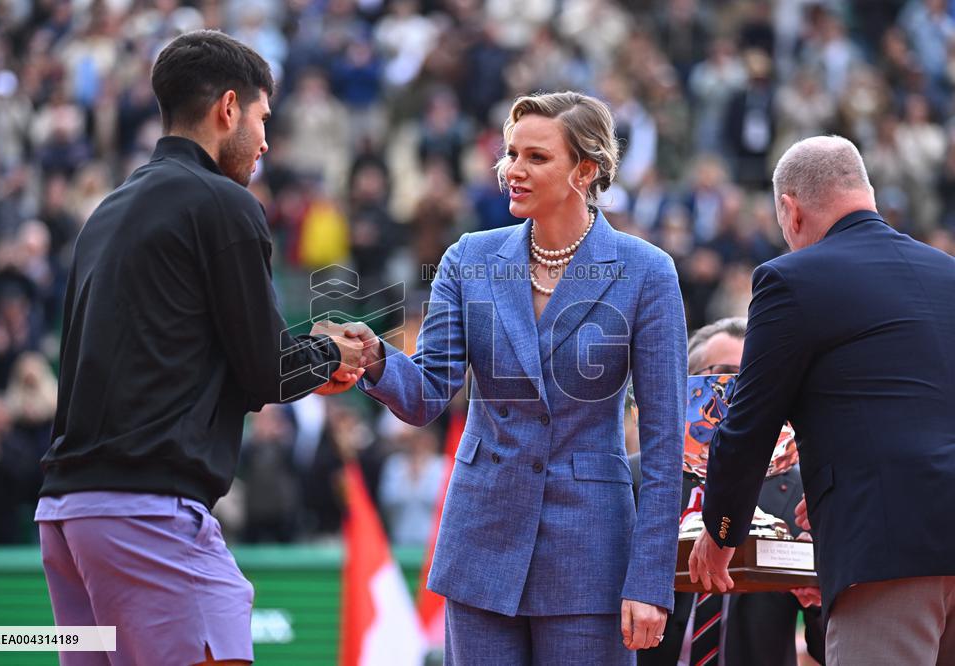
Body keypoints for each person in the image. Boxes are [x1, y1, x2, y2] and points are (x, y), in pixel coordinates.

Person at [34, 30, 366, 666]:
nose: (267, 141)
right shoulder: (224, 204)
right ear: (229, 108)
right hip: (145, 515)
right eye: (264, 119)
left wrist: (308, 364)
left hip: (67, 520)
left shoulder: (106, 211)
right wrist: (331, 354)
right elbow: (268, 370)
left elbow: (201, 365)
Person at [339, 91, 688, 663]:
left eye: (535, 157)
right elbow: (427, 394)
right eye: (510, 153)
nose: (513, 171)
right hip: (480, 546)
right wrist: (375, 355)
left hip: (590, 553)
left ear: (586, 170)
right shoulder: (466, 259)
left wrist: (650, 581)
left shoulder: (647, 272)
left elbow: (664, 435)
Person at [688, 136, 955, 665]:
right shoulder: (947, 273)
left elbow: (749, 425)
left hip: (887, 550)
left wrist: (720, 532)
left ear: (789, 208)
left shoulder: (791, 279)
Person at [631, 317, 824, 666]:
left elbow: (827, 648)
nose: (737, 396)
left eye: (753, 379)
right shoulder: (634, 479)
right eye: (720, 377)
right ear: (684, 387)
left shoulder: (802, 494)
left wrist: (822, 596)